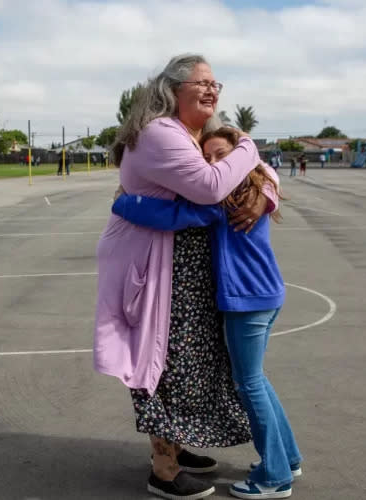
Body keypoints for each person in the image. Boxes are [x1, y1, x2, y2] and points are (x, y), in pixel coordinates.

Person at [94, 54, 274, 500]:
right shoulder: (160, 133)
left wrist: (265, 191)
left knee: (187, 361)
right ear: (173, 89)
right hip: (154, 265)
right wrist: (249, 147)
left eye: (217, 83)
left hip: (185, 267)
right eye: (202, 82)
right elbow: (213, 185)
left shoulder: (196, 134)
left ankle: (174, 441)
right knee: (160, 363)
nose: (213, 89)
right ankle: (164, 470)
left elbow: (255, 175)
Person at [113, 127, 302, 500]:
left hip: (245, 301)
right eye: (208, 158)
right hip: (265, 295)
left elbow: (172, 214)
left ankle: (276, 476)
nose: (214, 164)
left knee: (248, 383)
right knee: (256, 380)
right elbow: (265, 175)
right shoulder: (252, 189)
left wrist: (123, 203)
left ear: (241, 161)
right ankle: (288, 458)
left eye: (222, 156)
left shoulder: (224, 199)